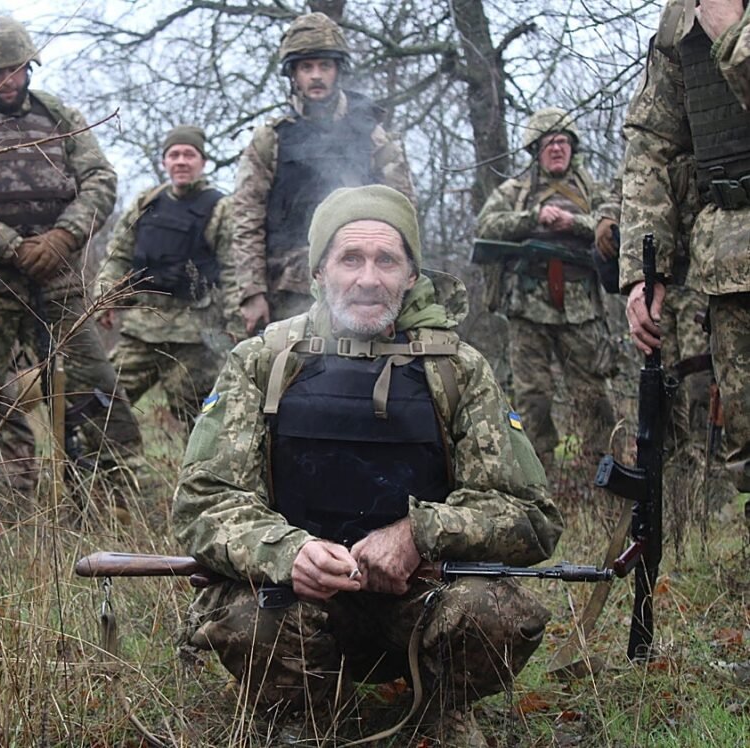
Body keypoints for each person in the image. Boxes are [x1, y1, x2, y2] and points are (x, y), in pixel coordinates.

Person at [173, 185, 561, 745]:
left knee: (493, 609)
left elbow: (529, 514)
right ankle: (298, 715)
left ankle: (442, 709)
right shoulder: (262, 362)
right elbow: (205, 500)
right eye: (349, 258)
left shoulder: (458, 369)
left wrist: (418, 533)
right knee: (246, 615)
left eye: (387, 260)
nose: (368, 278)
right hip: (297, 609)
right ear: (319, 272)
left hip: (419, 602)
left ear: (410, 275)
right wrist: (289, 553)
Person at [0, 16, 141, 507]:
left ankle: (113, 498)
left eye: (16, 69)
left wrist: (62, 238)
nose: (8, 81)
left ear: (29, 67)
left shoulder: (59, 115)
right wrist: (12, 246)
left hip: (58, 278)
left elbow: (101, 180)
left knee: (95, 386)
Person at [621, 0, 750, 495]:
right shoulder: (684, 12)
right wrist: (643, 270)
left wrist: (732, 38)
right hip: (728, 258)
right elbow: (654, 140)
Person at [232, 12, 416, 335]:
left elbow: (403, 213)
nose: (316, 76)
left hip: (360, 286)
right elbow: (246, 218)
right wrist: (252, 292)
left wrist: (402, 284)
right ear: (293, 75)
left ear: (338, 71)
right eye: (306, 67)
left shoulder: (373, 134)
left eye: (324, 66)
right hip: (287, 290)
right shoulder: (270, 139)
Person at [475, 107, 619, 472]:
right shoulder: (516, 192)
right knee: (532, 398)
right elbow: (486, 226)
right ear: (535, 149)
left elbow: (617, 224)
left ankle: (601, 475)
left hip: (582, 310)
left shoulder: (593, 189)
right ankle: (538, 478)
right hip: (528, 309)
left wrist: (576, 223)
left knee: (594, 396)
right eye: (549, 142)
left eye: (563, 142)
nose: (557, 148)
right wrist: (532, 218)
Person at [95, 125, 236, 428]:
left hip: (195, 337)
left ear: (203, 161)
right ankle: (107, 471)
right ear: (164, 162)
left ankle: (196, 475)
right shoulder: (146, 203)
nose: (181, 161)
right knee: (103, 403)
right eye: (174, 155)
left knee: (202, 421)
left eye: (189, 154)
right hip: (142, 330)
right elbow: (118, 255)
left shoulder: (221, 208)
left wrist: (236, 325)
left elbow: (233, 271)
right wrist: (105, 297)